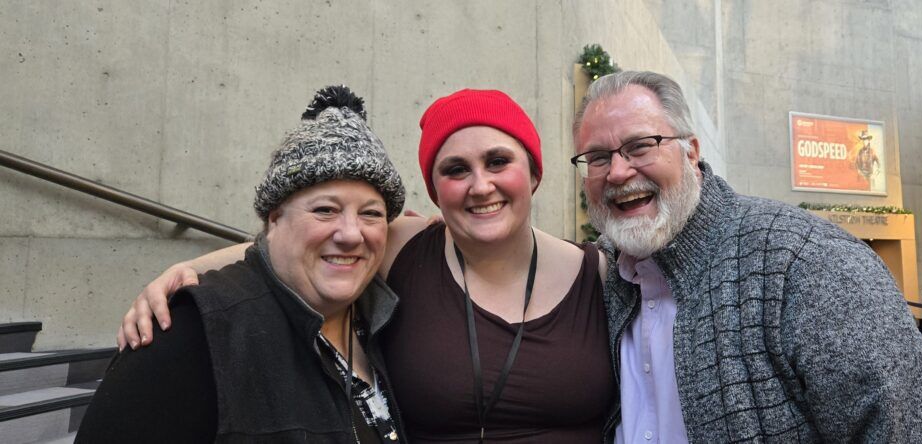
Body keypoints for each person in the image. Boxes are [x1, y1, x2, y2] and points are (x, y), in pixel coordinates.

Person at [117, 89, 615, 442]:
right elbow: (298, 244)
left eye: (498, 161)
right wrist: (185, 270)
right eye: (456, 169)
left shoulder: (600, 273)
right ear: (435, 191)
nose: (480, 185)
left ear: (534, 173)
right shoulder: (403, 245)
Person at [571, 70, 922, 442]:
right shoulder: (603, 276)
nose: (617, 172)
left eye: (640, 146)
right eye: (598, 157)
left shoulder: (808, 263)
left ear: (691, 152)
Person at [77, 85, 407, 443]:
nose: (351, 234)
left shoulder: (384, 322)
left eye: (371, 214)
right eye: (325, 210)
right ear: (275, 220)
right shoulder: (193, 333)